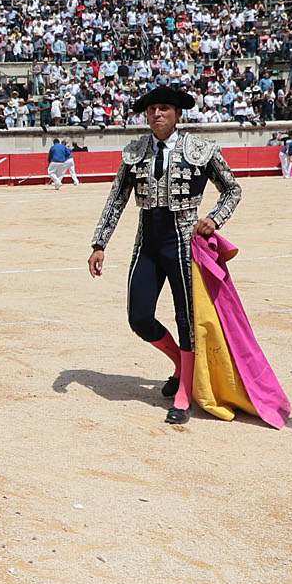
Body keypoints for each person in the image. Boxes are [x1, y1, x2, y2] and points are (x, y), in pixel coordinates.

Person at [88, 85, 242, 424]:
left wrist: (214, 218)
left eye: (164, 108)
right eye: (152, 109)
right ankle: (178, 363)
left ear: (177, 114)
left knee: (186, 319)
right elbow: (117, 199)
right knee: (139, 316)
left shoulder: (201, 149)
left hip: (186, 241)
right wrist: (100, 243)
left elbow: (232, 188)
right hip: (148, 240)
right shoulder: (135, 151)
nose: (157, 114)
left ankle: (185, 393)